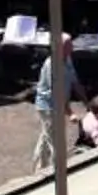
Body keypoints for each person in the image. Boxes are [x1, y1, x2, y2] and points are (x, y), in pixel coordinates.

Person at [32, 34, 73, 170]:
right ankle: (59, 170)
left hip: (58, 104)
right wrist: (70, 111)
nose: (72, 47)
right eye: (69, 45)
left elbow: (75, 81)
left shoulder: (67, 60)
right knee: (55, 140)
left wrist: (86, 102)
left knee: (46, 136)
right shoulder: (51, 64)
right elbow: (57, 91)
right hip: (48, 106)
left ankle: (39, 167)